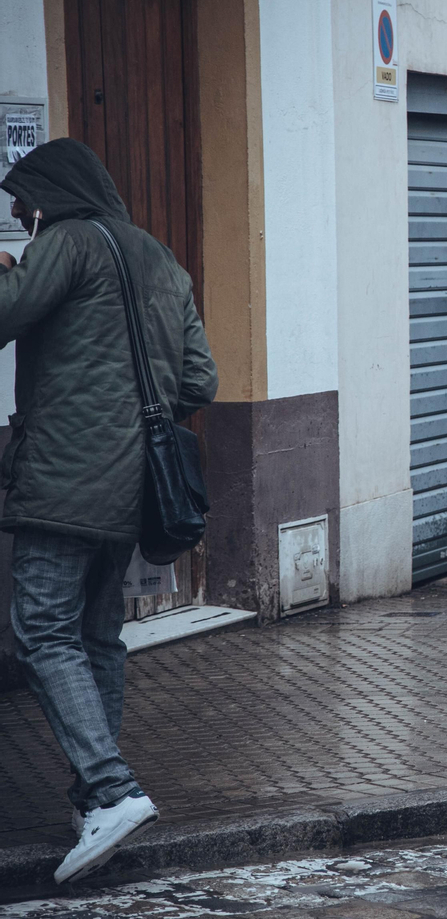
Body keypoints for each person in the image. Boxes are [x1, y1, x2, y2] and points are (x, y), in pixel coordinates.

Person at [0, 138, 217, 884]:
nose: (20, 215)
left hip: (62, 482)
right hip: (131, 488)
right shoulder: (159, 256)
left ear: (52, 194)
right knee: (98, 638)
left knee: (41, 632)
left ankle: (111, 789)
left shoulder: (63, 245)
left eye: (23, 202)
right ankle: (92, 795)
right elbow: (200, 379)